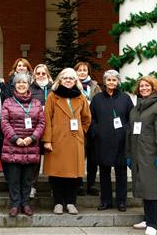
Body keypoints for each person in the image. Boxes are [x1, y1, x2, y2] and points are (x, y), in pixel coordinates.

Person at [42, 68, 91, 215]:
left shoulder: (81, 97)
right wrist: (48, 140)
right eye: (65, 78)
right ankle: (58, 202)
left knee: (73, 175)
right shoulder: (52, 96)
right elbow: (47, 119)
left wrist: (80, 132)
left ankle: (70, 202)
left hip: (75, 141)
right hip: (57, 141)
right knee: (57, 174)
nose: (68, 80)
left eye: (71, 78)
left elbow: (87, 118)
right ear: (60, 80)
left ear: (76, 81)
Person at [127, 75, 157, 235]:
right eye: (141, 86)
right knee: (143, 186)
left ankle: (153, 224)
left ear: (154, 88)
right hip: (138, 154)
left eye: (147, 86)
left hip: (152, 154)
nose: (144, 88)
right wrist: (129, 154)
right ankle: (147, 218)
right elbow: (130, 132)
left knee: (151, 187)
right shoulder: (136, 108)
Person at [1, 73, 45, 217]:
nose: (21, 85)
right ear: (14, 85)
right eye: (18, 82)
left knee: (27, 179)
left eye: (24, 83)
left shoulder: (37, 103)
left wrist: (32, 138)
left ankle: (25, 204)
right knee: (14, 179)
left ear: (28, 85)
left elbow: (41, 123)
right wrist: (15, 138)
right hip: (13, 146)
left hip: (30, 146)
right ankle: (15, 204)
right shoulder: (8, 102)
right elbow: (4, 122)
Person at [90, 70, 133, 212]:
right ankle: (106, 201)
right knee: (104, 173)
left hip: (121, 141)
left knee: (121, 173)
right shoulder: (97, 99)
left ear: (118, 82)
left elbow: (130, 118)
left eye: (114, 80)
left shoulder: (125, 98)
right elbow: (92, 119)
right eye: (108, 80)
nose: (111, 83)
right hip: (103, 141)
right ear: (104, 81)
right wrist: (97, 131)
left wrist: (125, 131)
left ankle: (121, 201)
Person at [74, 61, 102, 196]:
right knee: (79, 155)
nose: (82, 72)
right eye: (79, 70)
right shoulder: (72, 85)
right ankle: (78, 184)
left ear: (88, 72)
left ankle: (91, 184)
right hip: (78, 124)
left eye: (85, 70)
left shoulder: (95, 86)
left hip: (93, 124)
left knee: (93, 156)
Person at [28, 63, 53, 198]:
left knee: (52, 158)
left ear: (47, 74)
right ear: (34, 75)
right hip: (34, 128)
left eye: (43, 73)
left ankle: (53, 186)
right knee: (34, 159)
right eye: (38, 73)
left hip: (51, 128)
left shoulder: (53, 89)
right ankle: (32, 186)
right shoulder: (30, 89)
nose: (41, 76)